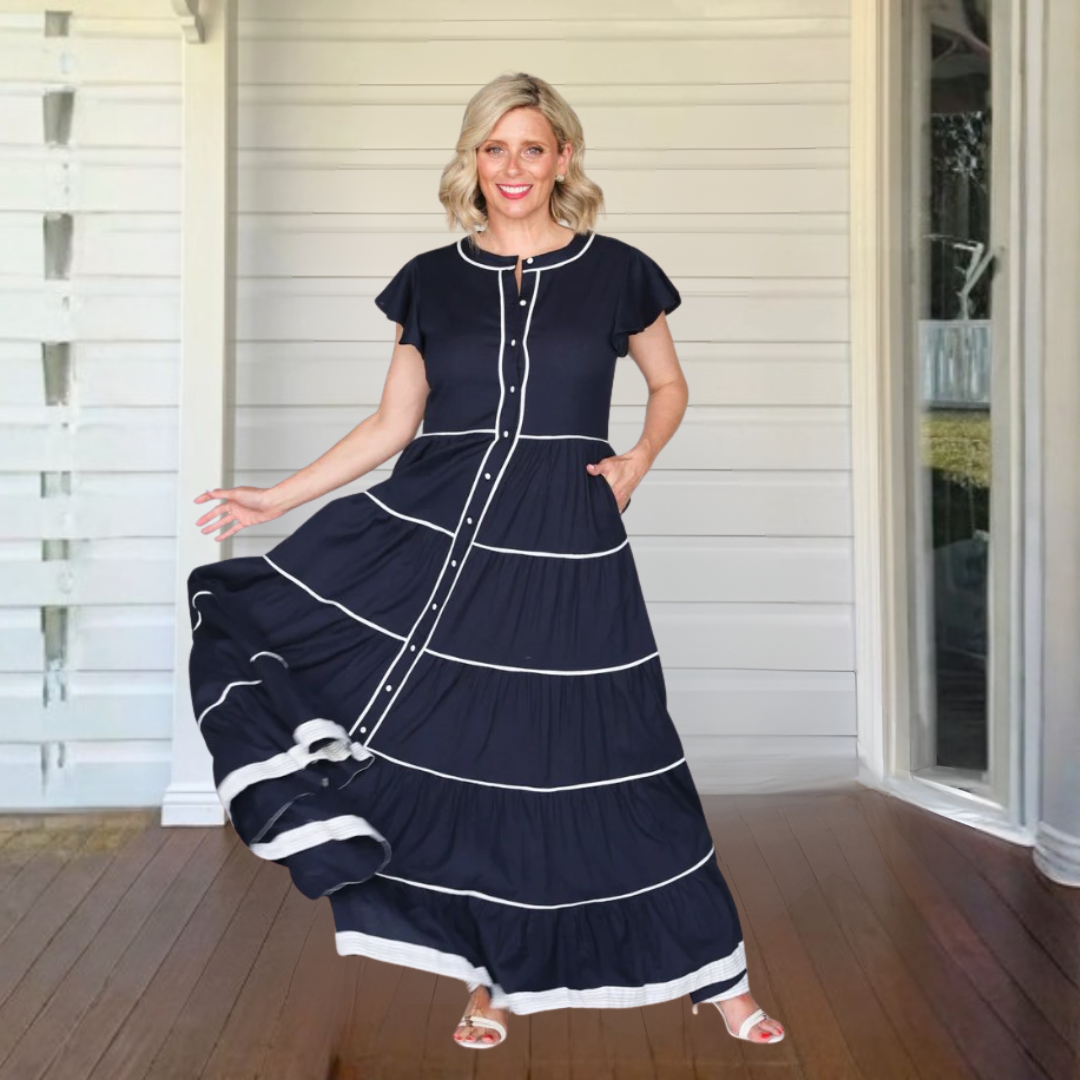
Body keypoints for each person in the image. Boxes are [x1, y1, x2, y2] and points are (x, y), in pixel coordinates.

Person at [186, 71, 786, 1051]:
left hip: (567, 536)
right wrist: (277, 498)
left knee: (622, 753)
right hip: (442, 533)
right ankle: (491, 980)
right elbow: (393, 423)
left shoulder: (619, 270)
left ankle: (719, 974)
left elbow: (669, 385)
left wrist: (637, 459)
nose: (513, 167)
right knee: (479, 759)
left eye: (531, 148)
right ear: (472, 159)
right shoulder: (429, 280)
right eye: (494, 148)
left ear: (564, 158)